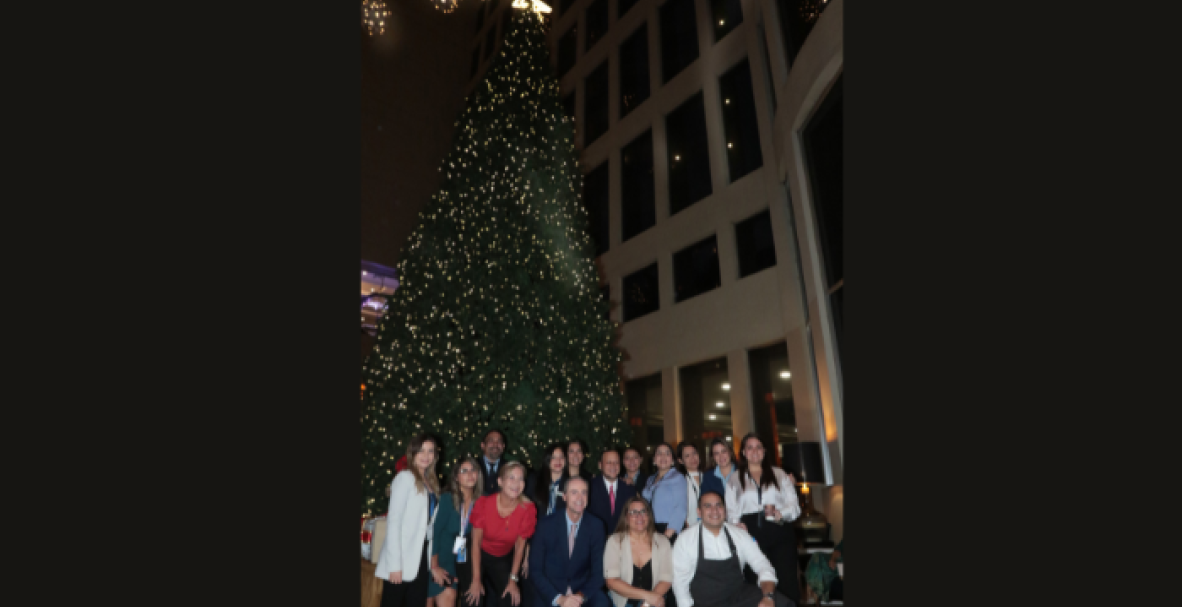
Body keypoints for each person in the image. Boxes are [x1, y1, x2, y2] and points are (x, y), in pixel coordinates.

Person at [671, 491, 792, 607]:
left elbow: (763, 565)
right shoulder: (685, 540)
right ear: (699, 512)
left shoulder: (739, 535)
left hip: (738, 598)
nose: (715, 511)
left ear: (725, 510)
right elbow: (680, 583)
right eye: (708, 506)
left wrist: (768, 597)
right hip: (704, 602)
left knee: (781, 603)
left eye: (719, 505)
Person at [724, 434, 800, 605]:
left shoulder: (779, 474)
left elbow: (795, 507)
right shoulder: (735, 478)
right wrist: (736, 524)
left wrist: (781, 513)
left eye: (758, 447)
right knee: (756, 582)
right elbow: (730, 510)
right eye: (750, 447)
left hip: (780, 531)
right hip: (751, 534)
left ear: (764, 451)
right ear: (743, 452)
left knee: (786, 581)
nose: (754, 451)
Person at [377, 434, 443, 607]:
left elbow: (428, 524)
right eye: (421, 450)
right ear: (412, 452)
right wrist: (394, 566)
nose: (426, 455)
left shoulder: (432, 483)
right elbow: (394, 522)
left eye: (430, 451)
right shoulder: (405, 477)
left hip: (421, 557)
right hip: (401, 558)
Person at [527, 477, 609, 607]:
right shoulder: (545, 525)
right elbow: (535, 571)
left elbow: (598, 574)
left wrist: (579, 597)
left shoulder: (596, 526)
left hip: (582, 590)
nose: (580, 497)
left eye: (584, 492)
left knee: (602, 602)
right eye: (574, 492)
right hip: (551, 591)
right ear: (564, 496)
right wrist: (559, 599)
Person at [471, 461, 537, 607]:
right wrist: (476, 579)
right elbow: (475, 544)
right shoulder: (484, 503)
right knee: (473, 598)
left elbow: (520, 547)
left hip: (501, 558)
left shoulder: (527, 509)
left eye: (521, 479)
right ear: (500, 481)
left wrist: (513, 580)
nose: (517, 483)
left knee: (511, 599)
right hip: (478, 554)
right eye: (511, 478)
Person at [430, 457, 485, 607]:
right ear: (456, 477)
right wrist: (434, 566)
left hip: (460, 561)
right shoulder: (448, 498)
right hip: (438, 559)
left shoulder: (481, 501)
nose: (470, 474)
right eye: (464, 471)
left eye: (473, 470)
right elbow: (434, 532)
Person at [603, 496, 673, 607]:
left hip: (653, 602)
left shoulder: (663, 542)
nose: (639, 516)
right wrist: (647, 595)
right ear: (626, 517)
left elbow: (666, 579)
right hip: (622, 602)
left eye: (643, 511)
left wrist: (647, 603)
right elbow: (611, 582)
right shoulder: (614, 541)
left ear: (649, 516)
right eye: (633, 512)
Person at [640, 443, 686, 542]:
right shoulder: (650, 479)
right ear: (654, 459)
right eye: (659, 453)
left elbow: (680, 508)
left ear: (673, 460)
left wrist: (667, 535)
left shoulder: (678, 478)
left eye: (667, 453)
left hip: (668, 529)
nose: (663, 456)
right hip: (649, 527)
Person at [587, 448, 636, 535]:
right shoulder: (589, 488)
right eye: (608, 462)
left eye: (616, 462)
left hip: (623, 541)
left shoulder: (629, 489)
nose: (613, 465)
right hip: (597, 542)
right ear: (600, 465)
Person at [527, 442, 570, 517]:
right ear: (547, 459)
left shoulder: (570, 484)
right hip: (537, 525)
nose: (558, 461)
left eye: (561, 457)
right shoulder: (534, 479)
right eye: (553, 457)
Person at [675, 442, 705, 528]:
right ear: (680, 460)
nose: (693, 458)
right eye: (687, 456)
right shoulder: (680, 481)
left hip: (709, 525)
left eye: (694, 453)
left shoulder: (708, 477)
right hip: (690, 527)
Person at [477, 429, 509, 496]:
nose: (495, 444)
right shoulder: (473, 466)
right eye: (491, 441)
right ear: (482, 445)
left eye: (499, 441)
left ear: (503, 446)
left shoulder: (509, 468)